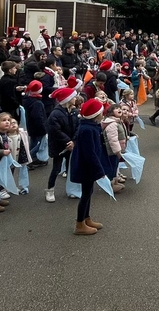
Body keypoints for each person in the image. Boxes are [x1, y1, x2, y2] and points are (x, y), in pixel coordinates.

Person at [70, 99, 106, 235]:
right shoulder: (87, 129)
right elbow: (89, 153)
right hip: (86, 166)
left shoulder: (90, 127)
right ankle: (80, 224)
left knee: (89, 192)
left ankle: (86, 218)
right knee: (85, 194)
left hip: (88, 166)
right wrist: (99, 170)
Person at [44, 89, 79, 203]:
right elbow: (55, 131)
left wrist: (74, 141)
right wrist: (68, 142)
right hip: (59, 146)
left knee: (70, 168)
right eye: (73, 97)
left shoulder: (74, 111)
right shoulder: (55, 114)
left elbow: (78, 127)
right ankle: (50, 190)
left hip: (71, 145)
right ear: (67, 99)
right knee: (56, 169)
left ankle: (72, 189)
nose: (75, 99)